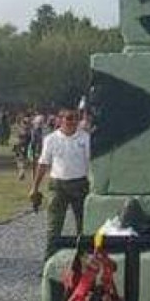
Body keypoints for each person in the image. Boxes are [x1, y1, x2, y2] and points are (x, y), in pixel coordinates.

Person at [29, 109, 91, 260]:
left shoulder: (85, 138)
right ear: (60, 120)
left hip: (79, 184)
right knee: (54, 225)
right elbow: (43, 163)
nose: (72, 122)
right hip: (58, 185)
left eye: (75, 119)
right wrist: (35, 187)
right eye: (68, 118)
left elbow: (92, 162)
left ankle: (83, 261)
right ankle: (49, 261)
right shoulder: (51, 139)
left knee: (83, 225)